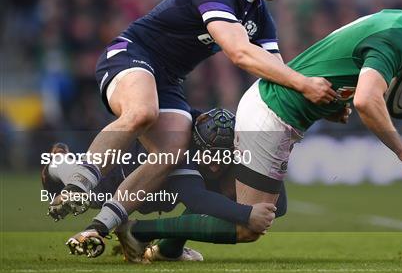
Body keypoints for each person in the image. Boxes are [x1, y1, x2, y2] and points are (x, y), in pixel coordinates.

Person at [49, 0, 336, 242]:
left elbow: (277, 74)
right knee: (142, 111)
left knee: (171, 151)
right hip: (131, 54)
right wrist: (305, 83)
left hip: (169, 80)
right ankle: (77, 184)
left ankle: (100, 226)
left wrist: (319, 105)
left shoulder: (260, 17)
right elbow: (239, 52)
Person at [228, 0, 402, 241]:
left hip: (274, 109)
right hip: (270, 111)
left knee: (271, 208)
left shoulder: (401, 24)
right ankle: (185, 228)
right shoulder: (399, 38)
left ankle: (201, 197)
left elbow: (349, 64)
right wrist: (401, 149)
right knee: (250, 226)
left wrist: (334, 105)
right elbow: (367, 100)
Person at [42, 109, 287, 260]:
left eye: (221, 157)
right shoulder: (181, 147)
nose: (214, 165)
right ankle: (58, 164)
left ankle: (167, 251)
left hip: (162, 192)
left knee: (218, 195)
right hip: (123, 181)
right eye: (208, 156)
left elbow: (280, 204)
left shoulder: (232, 142)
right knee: (85, 194)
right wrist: (248, 213)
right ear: (197, 144)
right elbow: (196, 200)